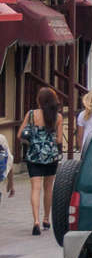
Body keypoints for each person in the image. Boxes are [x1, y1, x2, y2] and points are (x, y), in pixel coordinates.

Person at [17, 86, 63, 235]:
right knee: (48, 188)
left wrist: (32, 141)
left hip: (34, 156)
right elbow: (59, 139)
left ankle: (36, 221)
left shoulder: (31, 115)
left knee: (35, 189)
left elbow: (20, 135)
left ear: (39, 100)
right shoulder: (58, 117)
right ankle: (46, 219)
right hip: (50, 156)